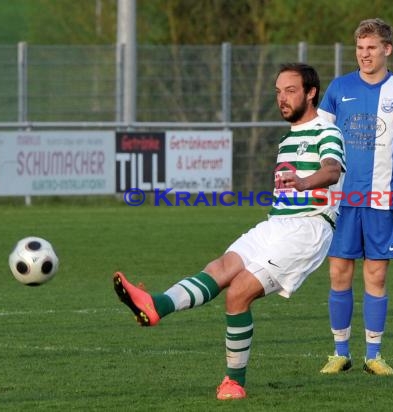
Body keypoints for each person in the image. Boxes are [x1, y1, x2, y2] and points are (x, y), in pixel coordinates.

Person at [113, 62, 346, 400]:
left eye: (290, 91)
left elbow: (332, 170)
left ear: (311, 93)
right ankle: (155, 305)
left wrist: (305, 181)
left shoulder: (327, 131)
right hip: (276, 222)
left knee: (238, 293)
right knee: (220, 267)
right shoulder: (287, 138)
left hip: (308, 228)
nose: (282, 98)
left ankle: (234, 381)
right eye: (278, 92)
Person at [317, 18, 393, 376]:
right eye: (360, 49)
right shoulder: (338, 88)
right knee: (338, 272)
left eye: (371, 48)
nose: (365, 55)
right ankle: (339, 353)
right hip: (340, 198)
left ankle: (374, 355)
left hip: (384, 199)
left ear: (387, 50)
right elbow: (321, 139)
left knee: (377, 276)